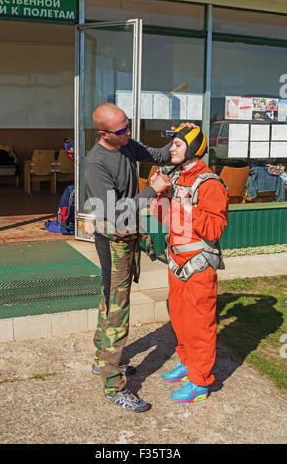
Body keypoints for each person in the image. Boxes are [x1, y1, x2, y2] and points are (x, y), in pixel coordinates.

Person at [83, 102, 173, 413]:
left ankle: (101, 360)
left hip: (128, 235)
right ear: (103, 133)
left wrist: (180, 143)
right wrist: (153, 190)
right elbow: (113, 210)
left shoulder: (126, 143)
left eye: (129, 125)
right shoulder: (95, 164)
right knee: (117, 311)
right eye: (122, 130)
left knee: (110, 300)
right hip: (113, 239)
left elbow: (159, 155)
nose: (129, 132)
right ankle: (113, 386)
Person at [150, 125, 229, 403]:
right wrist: (159, 195)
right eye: (172, 144)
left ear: (193, 149)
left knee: (200, 324)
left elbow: (215, 228)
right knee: (180, 319)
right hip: (176, 262)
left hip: (198, 265)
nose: (172, 149)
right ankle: (188, 363)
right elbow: (165, 218)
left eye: (178, 145)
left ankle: (199, 382)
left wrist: (181, 207)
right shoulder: (180, 179)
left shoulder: (209, 183)